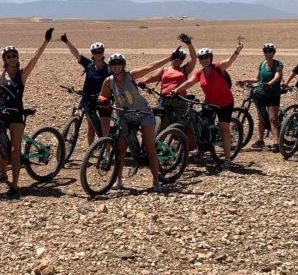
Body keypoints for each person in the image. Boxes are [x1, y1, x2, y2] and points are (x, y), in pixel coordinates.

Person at [0, 28, 54, 196]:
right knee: (1, 146)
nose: (12, 58)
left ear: (17, 58)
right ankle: (3, 174)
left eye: (14, 55)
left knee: (15, 150)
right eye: (8, 56)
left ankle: (15, 185)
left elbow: (34, 59)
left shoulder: (22, 75)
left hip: (16, 114)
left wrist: (45, 41)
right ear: (4, 59)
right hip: (0, 113)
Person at [98, 51, 176, 191]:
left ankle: (156, 182)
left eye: (119, 64)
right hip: (125, 117)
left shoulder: (130, 76)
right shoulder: (108, 81)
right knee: (120, 149)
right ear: (110, 66)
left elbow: (149, 67)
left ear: (123, 65)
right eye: (114, 64)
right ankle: (118, 180)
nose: (116, 66)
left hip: (143, 114)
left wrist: (169, 58)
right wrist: (103, 100)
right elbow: (101, 96)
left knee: (150, 147)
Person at [171, 38, 245, 170]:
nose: (204, 60)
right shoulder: (200, 72)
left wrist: (237, 51)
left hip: (225, 103)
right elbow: (189, 82)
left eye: (206, 57)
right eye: (201, 58)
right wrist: (177, 90)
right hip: (210, 102)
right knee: (200, 123)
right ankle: (202, 149)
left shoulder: (218, 67)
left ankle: (227, 159)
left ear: (210, 58)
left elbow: (229, 62)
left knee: (224, 129)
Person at [59, 34, 112, 144]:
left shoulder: (109, 69)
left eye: (100, 52)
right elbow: (77, 54)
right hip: (89, 99)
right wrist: (66, 41)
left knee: (105, 125)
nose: (97, 54)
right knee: (91, 126)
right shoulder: (89, 65)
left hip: (103, 100)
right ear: (92, 54)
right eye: (95, 52)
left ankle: (107, 151)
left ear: (103, 53)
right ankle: (90, 150)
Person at [237, 43, 283, 151]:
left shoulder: (278, 64)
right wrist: (245, 80)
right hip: (261, 93)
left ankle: (276, 143)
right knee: (261, 117)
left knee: (273, 119)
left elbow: (277, 76)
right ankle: (261, 140)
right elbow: (257, 79)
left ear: (274, 52)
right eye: (265, 51)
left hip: (273, 94)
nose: (267, 53)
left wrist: (269, 84)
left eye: (270, 51)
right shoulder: (262, 64)